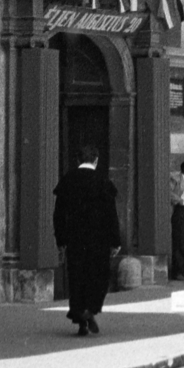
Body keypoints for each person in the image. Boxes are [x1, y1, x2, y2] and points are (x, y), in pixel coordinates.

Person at [52, 144, 121, 337]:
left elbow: (58, 215)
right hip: (98, 240)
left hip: (75, 240)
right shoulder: (103, 181)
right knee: (98, 277)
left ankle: (80, 318)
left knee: (77, 278)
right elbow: (111, 215)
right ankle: (90, 309)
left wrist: (61, 240)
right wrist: (115, 241)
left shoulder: (67, 181)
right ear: (96, 160)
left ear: (78, 160)